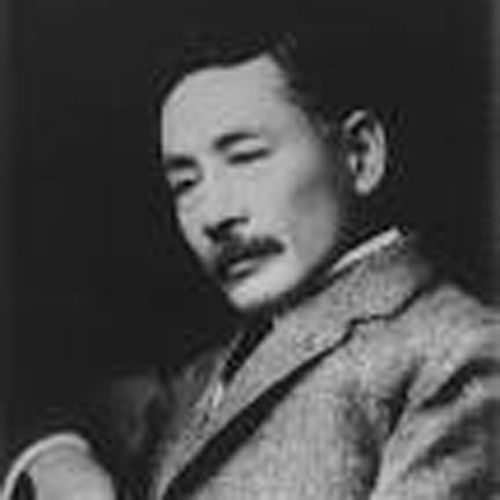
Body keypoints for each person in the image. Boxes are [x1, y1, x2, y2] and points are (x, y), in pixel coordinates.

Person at [3, 6, 499, 499]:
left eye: (246, 158)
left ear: (359, 154)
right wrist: (51, 454)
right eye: (185, 183)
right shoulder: (194, 383)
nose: (214, 215)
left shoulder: (460, 355)